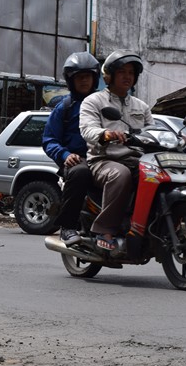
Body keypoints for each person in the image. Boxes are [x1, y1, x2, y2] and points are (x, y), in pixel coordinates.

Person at [79, 50, 154, 251]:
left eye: (131, 72)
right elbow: (87, 129)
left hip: (137, 160)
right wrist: (106, 134)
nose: (127, 76)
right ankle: (105, 230)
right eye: (122, 71)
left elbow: (153, 131)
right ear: (109, 75)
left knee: (160, 176)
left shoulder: (142, 106)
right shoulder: (94, 101)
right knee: (120, 175)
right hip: (103, 160)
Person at [42, 51, 101, 245]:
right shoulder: (64, 107)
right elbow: (49, 140)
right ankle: (67, 226)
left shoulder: (104, 103)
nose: (84, 81)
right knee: (80, 172)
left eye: (88, 76)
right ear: (71, 81)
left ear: (95, 78)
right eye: (79, 77)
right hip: (79, 159)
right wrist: (65, 154)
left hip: (105, 157)